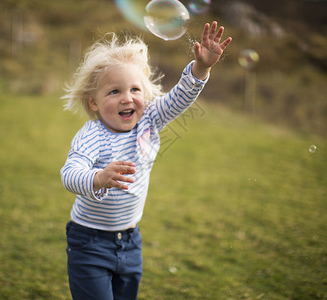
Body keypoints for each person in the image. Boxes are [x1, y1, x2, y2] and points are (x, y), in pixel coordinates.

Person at [60, 21, 232, 300]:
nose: (127, 98)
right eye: (114, 91)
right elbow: (69, 173)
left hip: (130, 240)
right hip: (89, 241)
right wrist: (99, 177)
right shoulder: (92, 134)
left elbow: (181, 96)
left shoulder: (150, 119)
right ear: (93, 102)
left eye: (135, 90)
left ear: (146, 94)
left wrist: (202, 68)